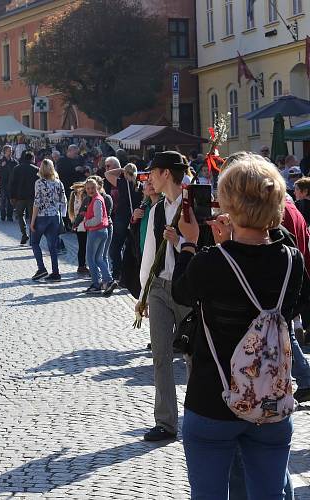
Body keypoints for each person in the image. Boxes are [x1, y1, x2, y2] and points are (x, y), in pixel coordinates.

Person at [173, 152, 305, 498]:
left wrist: (189, 244)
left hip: (213, 398)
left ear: (227, 203)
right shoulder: (292, 260)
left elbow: (181, 292)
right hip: (272, 400)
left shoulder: (212, 262)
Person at [136, 151, 192, 442]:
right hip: (159, 287)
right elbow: (149, 251)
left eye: (152, 173)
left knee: (193, 354)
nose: (149, 179)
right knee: (160, 355)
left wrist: (180, 241)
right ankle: (166, 423)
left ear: (166, 173)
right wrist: (144, 292)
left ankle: (196, 416)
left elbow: (205, 246)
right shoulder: (158, 209)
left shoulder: (192, 205)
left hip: (186, 287)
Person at [104, 159, 141, 293]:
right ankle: (130, 274)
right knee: (133, 246)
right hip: (135, 218)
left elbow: (107, 174)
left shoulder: (123, 183)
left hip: (122, 217)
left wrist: (121, 170)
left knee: (115, 246)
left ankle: (117, 273)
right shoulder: (139, 184)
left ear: (125, 173)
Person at [29, 159, 67, 282]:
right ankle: (56, 273)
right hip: (54, 216)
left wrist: (32, 221)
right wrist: (61, 214)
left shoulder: (39, 183)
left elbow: (37, 202)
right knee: (53, 247)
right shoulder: (58, 183)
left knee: (34, 242)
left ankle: (41, 268)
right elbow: (64, 201)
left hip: (42, 216)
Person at [78, 178, 111, 293]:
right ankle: (108, 280)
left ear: (97, 187)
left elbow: (98, 218)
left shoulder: (96, 200)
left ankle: (96, 284)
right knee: (98, 258)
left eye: (92, 188)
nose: (90, 190)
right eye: (88, 188)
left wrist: (86, 222)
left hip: (96, 231)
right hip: (102, 231)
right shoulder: (97, 199)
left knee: (91, 259)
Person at [9, 150, 39, 245]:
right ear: (32, 158)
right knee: (32, 217)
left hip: (19, 197)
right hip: (32, 197)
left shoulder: (17, 168)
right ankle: (32, 237)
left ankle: (24, 233)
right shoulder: (36, 169)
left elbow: (12, 183)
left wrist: (12, 196)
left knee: (20, 215)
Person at [68, 181, 89, 275]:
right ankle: (82, 266)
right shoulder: (81, 197)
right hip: (83, 225)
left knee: (82, 247)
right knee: (84, 247)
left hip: (79, 226)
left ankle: (82, 265)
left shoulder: (75, 197)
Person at [0, 145, 17, 222]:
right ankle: (3, 216)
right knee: (3, 201)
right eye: (9, 150)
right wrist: (1, 166)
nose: (11, 152)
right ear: (5, 151)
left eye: (11, 150)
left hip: (11, 184)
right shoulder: (0, 161)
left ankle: (9, 216)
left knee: (10, 201)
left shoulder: (14, 161)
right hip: (3, 184)